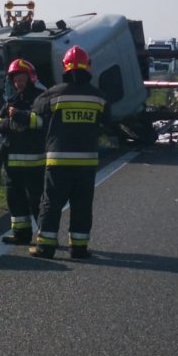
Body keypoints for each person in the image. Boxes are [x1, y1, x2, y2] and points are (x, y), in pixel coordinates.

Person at [20, 45, 110, 260]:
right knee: (82, 204)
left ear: (65, 67)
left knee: (51, 203)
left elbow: (37, 111)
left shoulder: (53, 94)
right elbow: (107, 122)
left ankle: (45, 247)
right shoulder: (99, 97)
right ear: (88, 67)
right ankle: (79, 248)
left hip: (58, 160)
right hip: (87, 162)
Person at [0, 59, 46, 245]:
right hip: (13, 163)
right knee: (15, 200)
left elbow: (41, 122)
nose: (18, 83)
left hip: (36, 163)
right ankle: (21, 235)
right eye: (15, 80)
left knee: (37, 201)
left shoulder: (41, 98)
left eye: (21, 79)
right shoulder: (11, 101)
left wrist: (19, 119)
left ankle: (46, 236)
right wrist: (6, 124)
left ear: (30, 78)